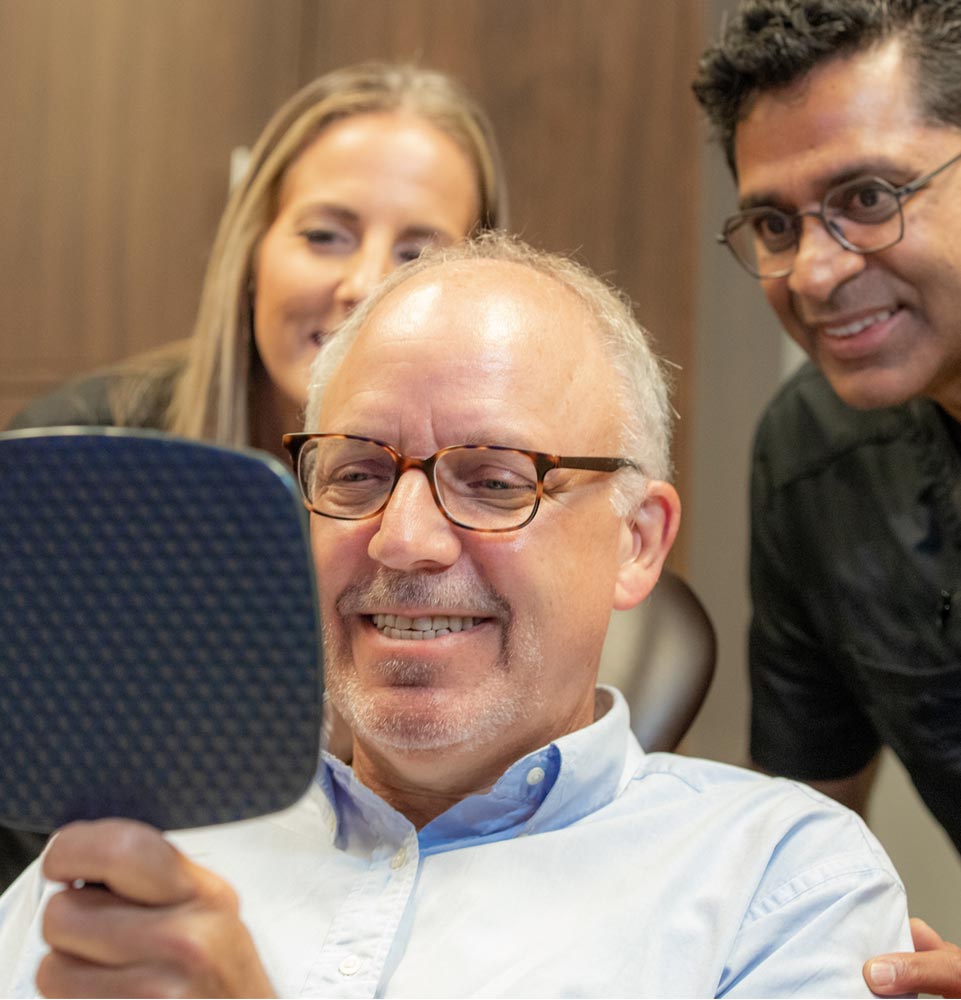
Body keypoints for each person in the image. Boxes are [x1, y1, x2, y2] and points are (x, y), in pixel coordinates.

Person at [0, 234, 910, 997]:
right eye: (356, 473)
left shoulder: (779, 883)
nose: (403, 540)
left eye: (493, 482)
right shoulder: (129, 861)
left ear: (636, 540)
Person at [0, 60, 507, 895]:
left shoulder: (503, 509)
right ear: (252, 252)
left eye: (417, 251)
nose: (365, 285)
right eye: (325, 235)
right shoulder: (90, 465)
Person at [692, 0, 961, 995]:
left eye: (869, 195)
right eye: (773, 221)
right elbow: (806, 846)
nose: (812, 269)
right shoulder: (810, 453)